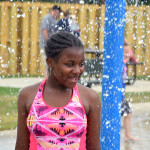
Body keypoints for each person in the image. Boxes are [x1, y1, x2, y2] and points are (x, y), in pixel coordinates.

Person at [15, 31, 101, 150]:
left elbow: (94, 147)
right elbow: (21, 146)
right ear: (50, 62)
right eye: (70, 65)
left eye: (81, 64)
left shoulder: (89, 98)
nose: (77, 70)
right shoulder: (28, 95)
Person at [121, 39, 138, 142]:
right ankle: (127, 135)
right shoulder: (119, 64)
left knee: (128, 114)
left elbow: (132, 57)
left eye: (128, 52)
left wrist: (126, 47)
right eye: (125, 53)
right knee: (127, 114)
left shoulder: (124, 63)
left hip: (121, 95)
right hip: (118, 96)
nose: (128, 54)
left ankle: (127, 135)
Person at [39, 5, 62, 77]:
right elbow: (45, 31)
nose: (59, 15)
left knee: (52, 64)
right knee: (47, 63)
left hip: (52, 46)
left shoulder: (55, 19)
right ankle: (46, 80)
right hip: (46, 45)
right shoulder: (47, 18)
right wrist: (49, 43)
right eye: (58, 13)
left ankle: (50, 80)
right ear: (54, 11)